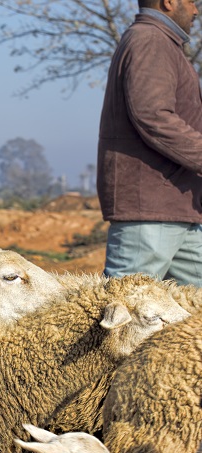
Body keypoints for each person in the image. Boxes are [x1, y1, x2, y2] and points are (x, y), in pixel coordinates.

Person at [97, 0, 202, 287]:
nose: (196, 10)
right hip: (149, 211)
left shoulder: (163, 42)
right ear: (169, 2)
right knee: (122, 313)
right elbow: (153, 116)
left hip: (175, 206)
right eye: (192, 1)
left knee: (192, 318)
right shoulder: (150, 39)